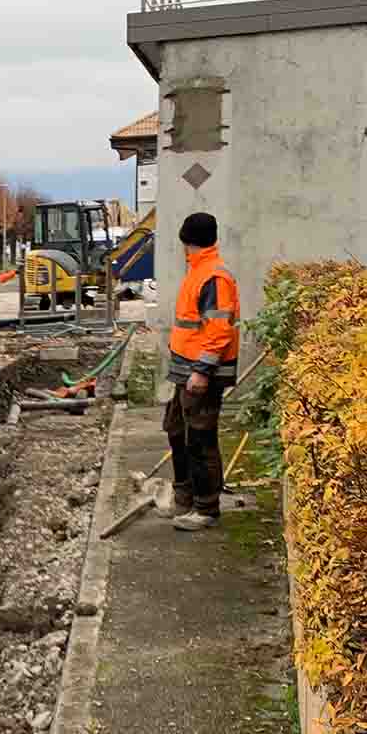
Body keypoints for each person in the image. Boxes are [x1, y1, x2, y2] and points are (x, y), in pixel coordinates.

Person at [161, 211, 239, 532]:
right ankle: (184, 497)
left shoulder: (213, 277)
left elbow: (218, 331)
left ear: (185, 241)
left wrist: (203, 371)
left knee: (201, 439)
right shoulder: (198, 271)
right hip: (186, 372)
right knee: (176, 430)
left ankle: (206, 508)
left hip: (200, 375)